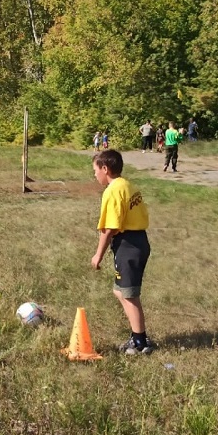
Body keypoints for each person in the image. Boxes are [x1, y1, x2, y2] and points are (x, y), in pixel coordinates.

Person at [91, 149, 154, 355]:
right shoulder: (128, 185)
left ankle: (140, 342)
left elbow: (110, 228)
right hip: (138, 240)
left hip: (129, 245)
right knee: (120, 291)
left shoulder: (113, 190)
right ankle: (138, 335)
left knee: (129, 295)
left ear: (105, 169)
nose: (95, 175)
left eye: (95, 170)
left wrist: (98, 255)